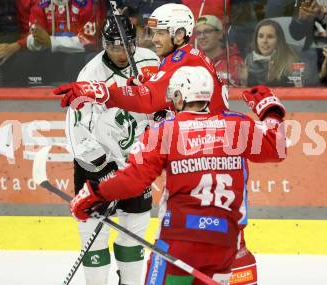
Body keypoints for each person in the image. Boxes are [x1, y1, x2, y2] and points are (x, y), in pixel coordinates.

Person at [69, 66, 287, 284]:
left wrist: (94, 194)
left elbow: (134, 180)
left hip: (180, 241)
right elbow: (277, 148)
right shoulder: (237, 125)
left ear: (180, 96)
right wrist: (271, 110)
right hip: (224, 244)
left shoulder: (165, 130)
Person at [65, 14, 159, 285]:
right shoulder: (90, 75)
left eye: (126, 45)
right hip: (97, 167)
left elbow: (162, 100)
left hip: (137, 165)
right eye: (114, 46)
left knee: (134, 231)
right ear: (104, 44)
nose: (121, 52)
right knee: (95, 236)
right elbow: (77, 132)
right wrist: (105, 169)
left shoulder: (150, 61)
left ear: (135, 41)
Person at [53, 3, 229, 115]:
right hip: (209, 143)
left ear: (180, 34)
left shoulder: (183, 61)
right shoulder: (185, 56)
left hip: (211, 151)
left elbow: (147, 100)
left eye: (160, 33)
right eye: (153, 33)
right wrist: (149, 83)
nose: (154, 40)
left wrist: (100, 91)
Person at [241, 19, 306, 87]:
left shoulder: (292, 60)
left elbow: (300, 91)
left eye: (270, 37)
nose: (264, 41)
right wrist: (244, 81)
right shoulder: (248, 59)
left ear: (278, 40)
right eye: (260, 36)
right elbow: (244, 92)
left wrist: (273, 80)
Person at [194, 14, 244, 86]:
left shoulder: (235, 62)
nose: (202, 37)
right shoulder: (193, 61)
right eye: (198, 33)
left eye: (207, 31)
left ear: (220, 34)